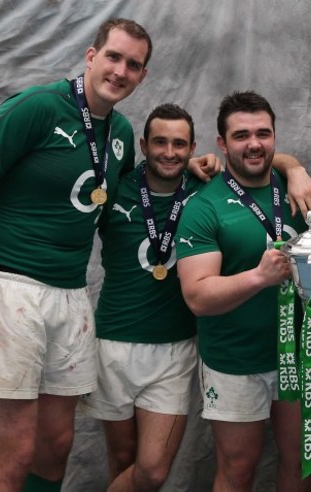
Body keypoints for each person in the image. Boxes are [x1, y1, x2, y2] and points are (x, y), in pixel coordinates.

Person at [0, 18, 154, 492]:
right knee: (11, 453)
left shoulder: (120, 131)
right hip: (9, 285)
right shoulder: (39, 106)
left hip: (71, 294)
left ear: (141, 76)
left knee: (55, 447)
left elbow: (134, 202)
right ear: (91, 55)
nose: (120, 71)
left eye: (133, 65)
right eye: (113, 57)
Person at [176, 91, 310, 491]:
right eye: (241, 135)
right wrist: (259, 277)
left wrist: (298, 167)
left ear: (275, 136)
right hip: (234, 361)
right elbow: (197, 296)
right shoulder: (204, 205)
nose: (254, 143)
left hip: (295, 354)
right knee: (237, 469)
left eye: (263, 133)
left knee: (303, 461)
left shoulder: (294, 188)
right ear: (222, 143)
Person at [77, 103, 204, 491]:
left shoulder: (205, 191)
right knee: (121, 459)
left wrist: (296, 169)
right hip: (112, 343)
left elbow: (264, 168)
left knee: (151, 471)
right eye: (160, 142)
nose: (169, 152)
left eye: (179, 144)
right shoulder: (114, 185)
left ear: (193, 147)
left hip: (173, 349)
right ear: (144, 145)